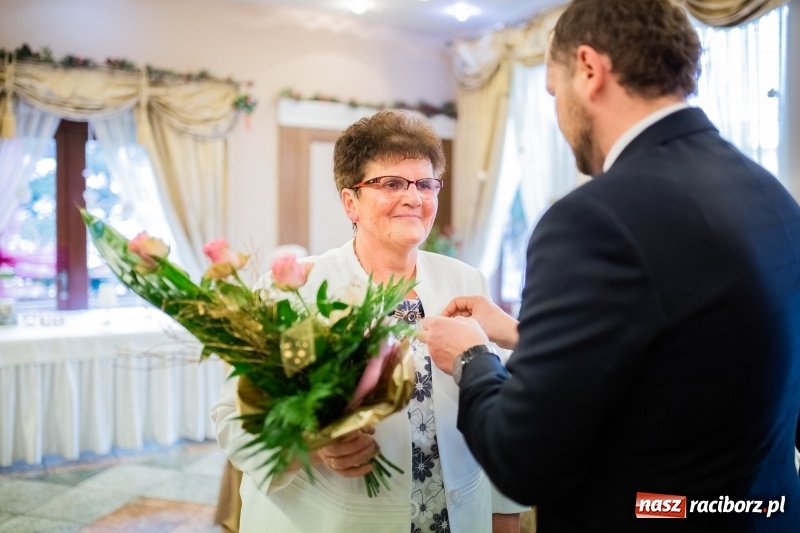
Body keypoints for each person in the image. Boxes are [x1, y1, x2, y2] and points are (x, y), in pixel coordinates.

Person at [418, 0, 800, 531]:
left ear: (590, 71)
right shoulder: (771, 196)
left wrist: (472, 356)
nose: (556, 116)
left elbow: (522, 458)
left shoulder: (591, 220)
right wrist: (521, 336)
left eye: (553, 92)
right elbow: (679, 361)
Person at [212, 110, 526, 533]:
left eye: (425, 183)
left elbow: (502, 405)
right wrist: (310, 447)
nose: (414, 197)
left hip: (459, 517)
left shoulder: (466, 281)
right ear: (350, 202)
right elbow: (232, 417)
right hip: (332, 521)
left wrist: (504, 513)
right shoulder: (292, 289)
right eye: (391, 183)